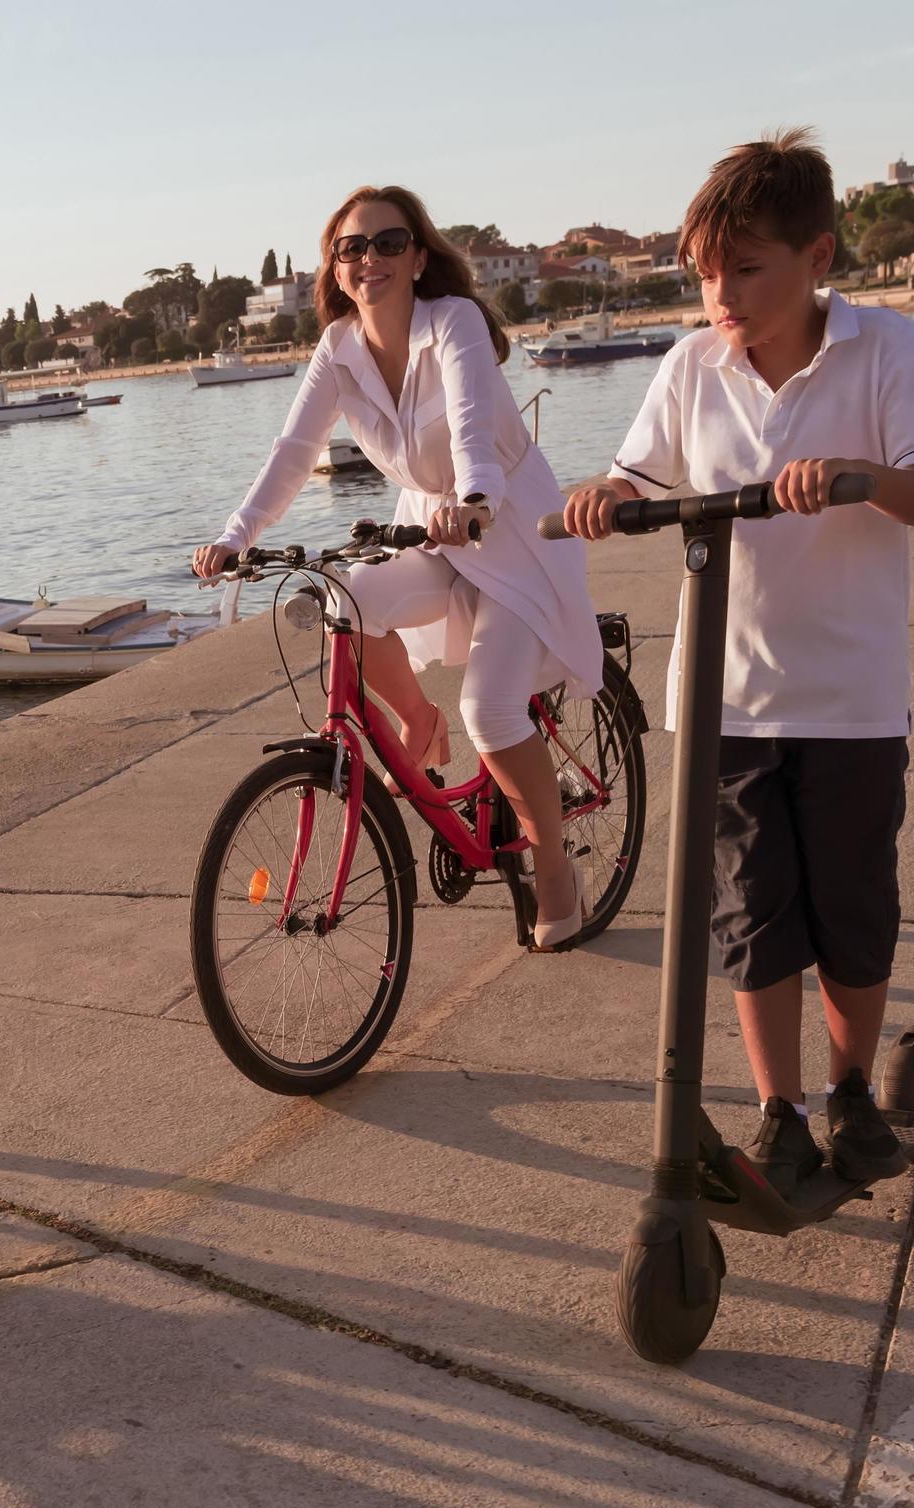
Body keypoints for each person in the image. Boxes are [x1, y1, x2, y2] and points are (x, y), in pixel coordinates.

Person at [560, 129, 914, 1186]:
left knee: (850, 913)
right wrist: (608, 499)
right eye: (702, 273)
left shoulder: (884, 351)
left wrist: (859, 475)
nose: (718, 295)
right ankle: (778, 1110)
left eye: (744, 267)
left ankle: (846, 1092)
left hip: (848, 699)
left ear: (816, 257)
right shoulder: (691, 366)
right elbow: (635, 479)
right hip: (725, 700)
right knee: (751, 917)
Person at [194, 184, 606, 949]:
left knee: (490, 710)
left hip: (507, 528)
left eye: (387, 243)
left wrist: (475, 496)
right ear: (334, 266)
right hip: (430, 529)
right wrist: (235, 534)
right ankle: (417, 721)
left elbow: (472, 428)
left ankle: (552, 862)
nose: (368, 259)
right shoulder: (337, 348)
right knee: (341, 597)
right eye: (351, 247)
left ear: (418, 256)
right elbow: (293, 452)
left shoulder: (454, 323)